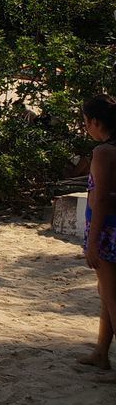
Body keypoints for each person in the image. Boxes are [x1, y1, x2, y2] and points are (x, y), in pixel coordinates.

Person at [79, 94, 116, 374]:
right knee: (107, 294)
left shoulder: (104, 153)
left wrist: (92, 243)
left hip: (107, 230)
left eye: (85, 121)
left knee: (111, 298)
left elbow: (101, 199)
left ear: (94, 121)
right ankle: (101, 352)